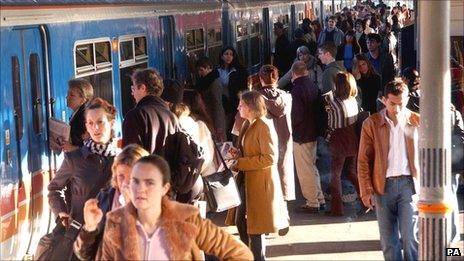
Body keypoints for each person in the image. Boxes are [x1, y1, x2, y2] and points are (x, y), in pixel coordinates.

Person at [99, 155, 254, 260]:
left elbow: (240, 253)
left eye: (149, 182)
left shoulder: (186, 219)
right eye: (133, 181)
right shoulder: (116, 225)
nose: (140, 189)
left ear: (164, 188)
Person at [358, 79, 420, 261]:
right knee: (388, 241)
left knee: (410, 238)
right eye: (393, 103)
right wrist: (366, 191)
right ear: (384, 100)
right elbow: (363, 160)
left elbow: (428, 157)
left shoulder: (417, 121)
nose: (397, 108)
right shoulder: (372, 123)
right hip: (382, 186)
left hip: (409, 185)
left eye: (401, 103)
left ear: (407, 98)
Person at [226, 91, 289, 260]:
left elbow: (270, 158)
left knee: (255, 227)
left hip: (260, 183)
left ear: (251, 107)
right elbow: (249, 150)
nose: (238, 107)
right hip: (246, 181)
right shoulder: (248, 123)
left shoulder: (263, 126)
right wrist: (238, 153)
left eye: (241, 105)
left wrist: (241, 163)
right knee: (241, 222)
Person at [48, 98, 119, 225]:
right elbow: (54, 189)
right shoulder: (75, 158)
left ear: (112, 123)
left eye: (100, 122)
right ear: (86, 126)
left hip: (114, 234)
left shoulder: (123, 159)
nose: (95, 128)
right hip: (83, 235)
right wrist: (61, 213)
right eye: (90, 123)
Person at [73, 144, 149, 260]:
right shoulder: (105, 198)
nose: (125, 183)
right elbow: (84, 255)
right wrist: (89, 228)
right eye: (121, 176)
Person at [290, 61, 325, 213]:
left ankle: (312, 202)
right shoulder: (312, 85)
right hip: (312, 132)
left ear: (293, 73)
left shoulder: (296, 90)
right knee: (312, 167)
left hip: (301, 135)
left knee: (305, 171)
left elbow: (296, 116)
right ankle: (319, 198)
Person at [257, 64, 295, 201]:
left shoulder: (256, 99)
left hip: (264, 140)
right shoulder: (286, 97)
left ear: (260, 79)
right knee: (283, 167)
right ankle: (284, 197)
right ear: (277, 78)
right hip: (284, 137)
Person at [326, 72, 362, 216]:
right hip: (352, 139)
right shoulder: (354, 100)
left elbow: (330, 121)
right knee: (351, 172)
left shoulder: (333, 102)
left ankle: (337, 208)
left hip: (338, 139)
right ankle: (366, 198)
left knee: (335, 175)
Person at [122, 68, 179, 155]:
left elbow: (131, 156)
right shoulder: (172, 117)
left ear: (142, 88)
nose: (132, 93)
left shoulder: (134, 116)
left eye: (133, 88)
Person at [217, 46, 249, 139]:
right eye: (226, 54)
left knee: (234, 130)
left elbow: (244, 88)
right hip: (222, 103)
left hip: (235, 104)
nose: (228, 56)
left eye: (231, 54)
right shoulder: (217, 71)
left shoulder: (240, 71)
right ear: (222, 56)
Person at [195, 57, 226, 141]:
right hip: (208, 117)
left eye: (201, 70)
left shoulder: (214, 83)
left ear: (208, 68)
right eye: (198, 70)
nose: (199, 73)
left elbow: (217, 104)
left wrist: (219, 126)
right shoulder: (206, 81)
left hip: (214, 119)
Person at [63, 78, 94, 152]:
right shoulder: (77, 114)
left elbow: (92, 145)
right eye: (68, 94)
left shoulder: (84, 117)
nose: (67, 97)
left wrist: (72, 148)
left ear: (83, 100)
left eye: (72, 95)